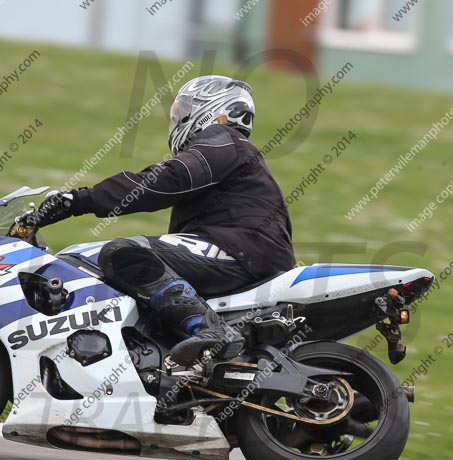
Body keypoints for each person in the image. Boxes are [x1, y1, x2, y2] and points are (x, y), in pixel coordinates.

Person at [31, 75, 295, 367]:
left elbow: (165, 181)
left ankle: (212, 330)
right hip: (246, 251)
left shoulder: (223, 141)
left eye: (185, 110)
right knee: (152, 289)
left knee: (124, 253)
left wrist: (79, 200)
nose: (179, 119)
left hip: (243, 250)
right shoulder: (229, 151)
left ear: (213, 108)